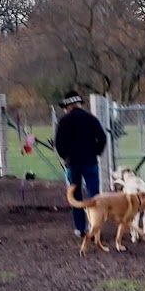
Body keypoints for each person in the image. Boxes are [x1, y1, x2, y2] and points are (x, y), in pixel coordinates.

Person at [53, 92, 108, 239]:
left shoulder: (64, 121)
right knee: (94, 195)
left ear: (68, 106)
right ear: (79, 104)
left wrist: (66, 156)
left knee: (75, 196)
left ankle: (80, 228)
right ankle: (95, 227)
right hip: (90, 161)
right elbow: (102, 138)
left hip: (73, 163)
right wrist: (96, 152)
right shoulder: (91, 119)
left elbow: (58, 143)